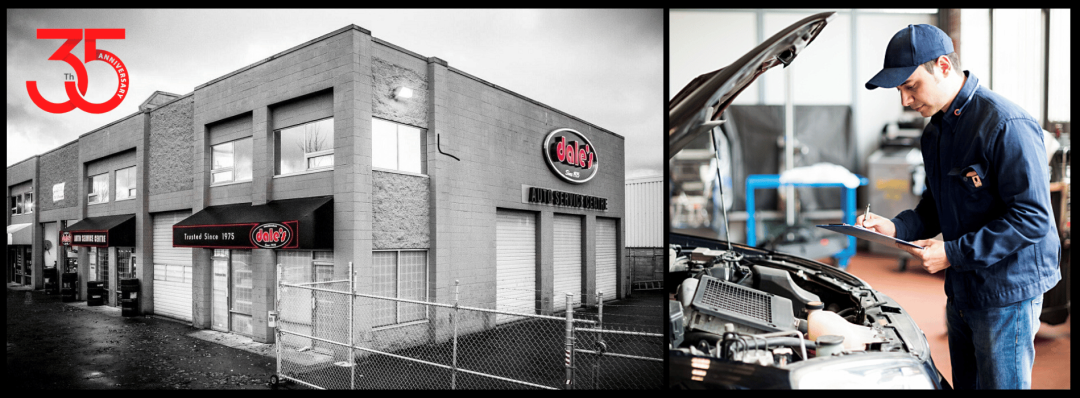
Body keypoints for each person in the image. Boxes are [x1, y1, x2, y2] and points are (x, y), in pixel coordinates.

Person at [857, 24, 1060, 389]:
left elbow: (1033, 218)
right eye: (899, 90)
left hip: (1007, 291)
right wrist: (896, 228)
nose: (904, 100)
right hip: (963, 288)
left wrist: (952, 253)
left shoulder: (1005, 124)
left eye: (910, 86)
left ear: (943, 67)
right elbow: (935, 205)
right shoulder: (935, 131)